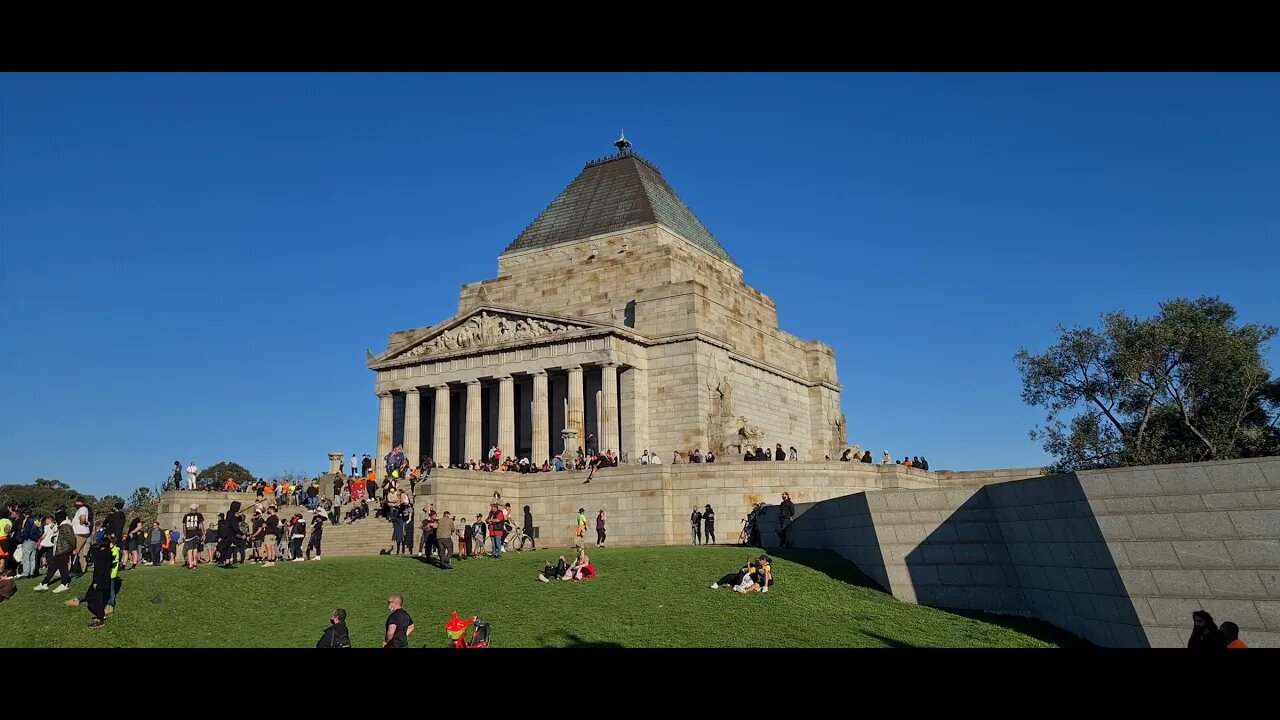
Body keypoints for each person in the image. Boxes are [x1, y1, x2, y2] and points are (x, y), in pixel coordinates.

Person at [35, 510, 75, 593]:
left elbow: (71, 539)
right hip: (58, 550)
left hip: (63, 550)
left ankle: (64, 584)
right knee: (52, 567)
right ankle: (44, 583)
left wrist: (73, 548)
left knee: (63, 568)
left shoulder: (66, 526)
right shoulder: (61, 526)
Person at [85, 535, 115, 628]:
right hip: (105, 579)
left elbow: (99, 570)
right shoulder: (108, 553)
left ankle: (100, 618)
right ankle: (100, 614)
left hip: (100, 580)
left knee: (93, 598)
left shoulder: (102, 555)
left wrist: (95, 581)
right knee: (98, 598)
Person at [181, 503, 204, 570]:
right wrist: (203, 534)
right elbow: (201, 525)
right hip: (196, 534)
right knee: (195, 549)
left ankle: (190, 564)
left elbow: (184, 526)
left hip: (189, 535)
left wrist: (185, 534)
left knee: (189, 550)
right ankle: (195, 563)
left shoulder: (186, 516)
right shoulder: (199, 515)